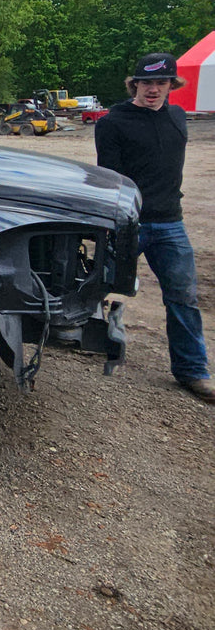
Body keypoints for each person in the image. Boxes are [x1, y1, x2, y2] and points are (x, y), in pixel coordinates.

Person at [95, 52, 212, 404]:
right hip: (130, 222)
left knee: (183, 297)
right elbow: (111, 178)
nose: (153, 89)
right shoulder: (113, 122)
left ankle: (193, 371)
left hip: (170, 222)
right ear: (135, 84)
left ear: (172, 85)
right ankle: (82, 337)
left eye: (161, 83)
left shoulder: (177, 116)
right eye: (146, 83)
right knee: (94, 284)